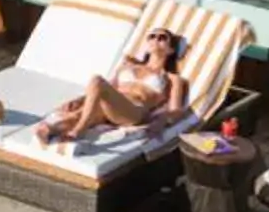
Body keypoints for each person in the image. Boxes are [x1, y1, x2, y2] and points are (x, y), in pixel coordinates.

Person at [32, 27, 188, 144]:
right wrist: (80, 100)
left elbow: (176, 110)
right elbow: (107, 89)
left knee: (96, 80)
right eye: (151, 36)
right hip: (111, 106)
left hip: (133, 111)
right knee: (77, 113)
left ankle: (79, 130)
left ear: (171, 49)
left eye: (162, 38)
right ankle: (50, 130)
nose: (155, 39)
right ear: (146, 43)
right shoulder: (128, 67)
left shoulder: (172, 78)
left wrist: (161, 121)